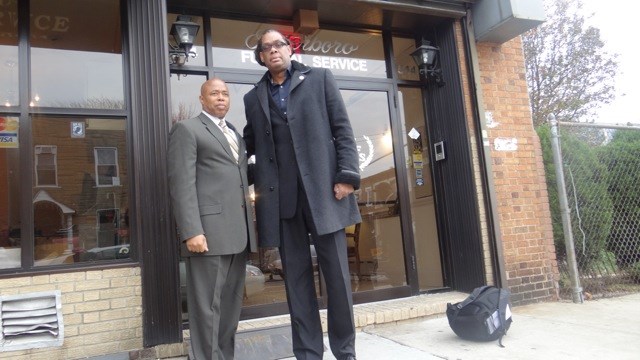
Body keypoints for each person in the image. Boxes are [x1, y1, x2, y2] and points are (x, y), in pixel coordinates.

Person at [243, 29, 361, 360]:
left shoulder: (320, 79)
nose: (273, 51)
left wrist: (347, 176)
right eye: (266, 48)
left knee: (337, 278)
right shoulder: (253, 98)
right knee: (295, 284)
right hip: (284, 202)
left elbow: (343, 130)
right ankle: (308, 353)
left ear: (290, 49)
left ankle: (345, 351)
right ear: (262, 57)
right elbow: (250, 146)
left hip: (325, 194)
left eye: (278, 44)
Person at [168, 78, 257, 359]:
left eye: (225, 94)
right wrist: (191, 230)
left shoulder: (234, 134)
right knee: (206, 309)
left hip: (238, 235)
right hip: (207, 235)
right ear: (202, 99)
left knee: (229, 309)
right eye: (214, 93)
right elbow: (181, 183)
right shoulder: (187, 129)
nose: (221, 98)